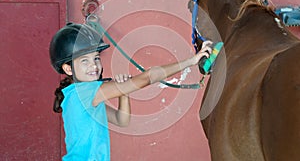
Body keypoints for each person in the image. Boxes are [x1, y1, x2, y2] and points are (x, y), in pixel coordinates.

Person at [49, 20, 212, 160]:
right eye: (84, 61)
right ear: (68, 69)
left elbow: (122, 120)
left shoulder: (79, 96)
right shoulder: (84, 92)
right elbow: (147, 77)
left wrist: (123, 91)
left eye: (96, 58)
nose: (94, 65)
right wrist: (191, 61)